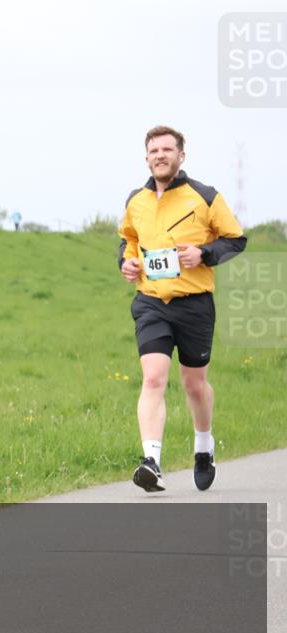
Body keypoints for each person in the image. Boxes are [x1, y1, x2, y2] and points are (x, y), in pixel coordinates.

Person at [118, 125, 246, 493]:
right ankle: (151, 462)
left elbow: (235, 239)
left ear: (181, 155)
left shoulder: (204, 196)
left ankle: (204, 446)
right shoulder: (136, 200)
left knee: (194, 383)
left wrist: (203, 253)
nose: (160, 155)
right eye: (154, 151)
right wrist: (126, 263)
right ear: (146, 158)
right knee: (153, 377)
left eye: (167, 149)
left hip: (194, 304)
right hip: (151, 302)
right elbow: (129, 240)